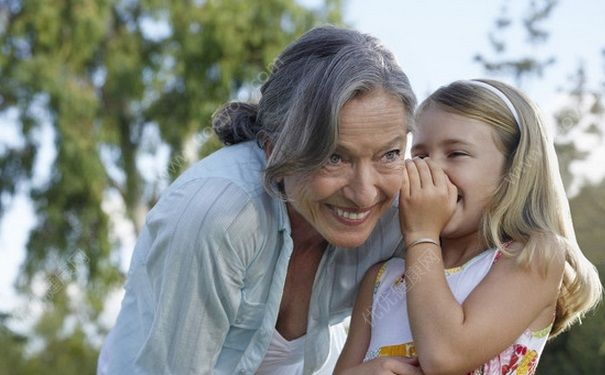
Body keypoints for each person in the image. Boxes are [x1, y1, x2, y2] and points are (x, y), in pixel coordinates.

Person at [98, 26, 420, 374]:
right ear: (272, 149)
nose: (365, 194)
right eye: (333, 157)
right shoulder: (218, 218)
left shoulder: (405, 211)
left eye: (389, 154)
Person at [335, 79, 603, 375]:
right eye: (420, 156)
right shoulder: (382, 280)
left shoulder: (534, 256)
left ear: (512, 170)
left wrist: (422, 235)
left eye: (456, 154)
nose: (431, 170)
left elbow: (444, 356)